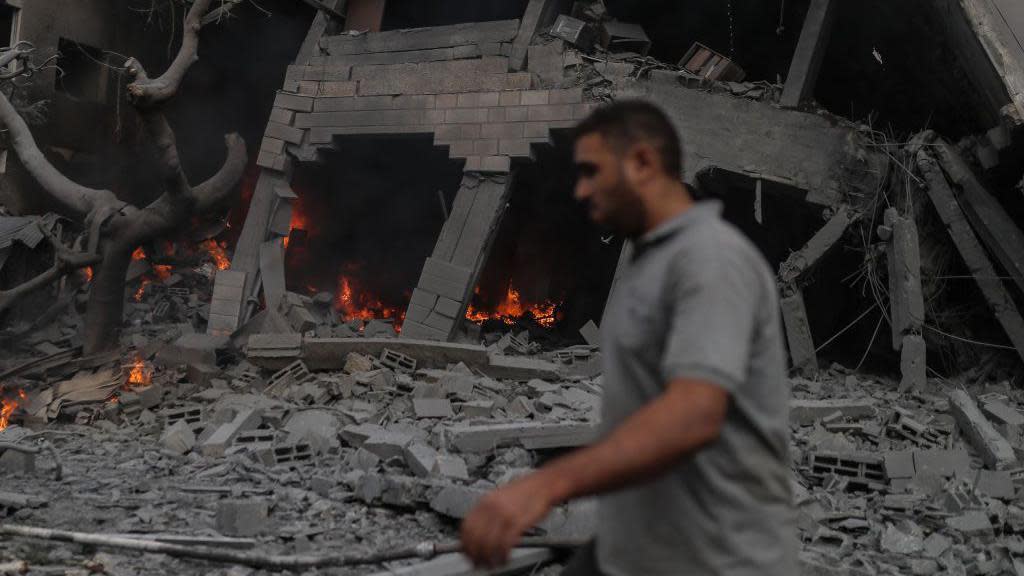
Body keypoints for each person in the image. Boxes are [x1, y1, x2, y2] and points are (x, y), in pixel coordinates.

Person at [459, 100, 797, 575]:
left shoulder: (711, 261)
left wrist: (545, 486)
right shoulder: (652, 265)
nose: (582, 189)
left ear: (641, 163)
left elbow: (693, 417)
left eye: (593, 172)